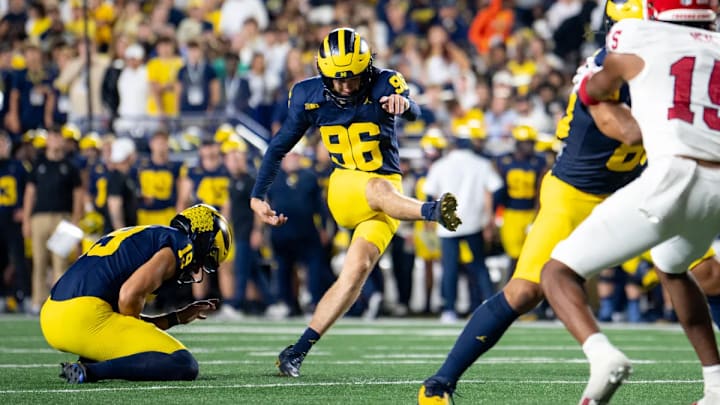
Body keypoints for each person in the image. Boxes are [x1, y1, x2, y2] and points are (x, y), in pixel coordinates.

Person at [418, 1, 650, 401]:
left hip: (635, 187)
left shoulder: (672, 63)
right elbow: (624, 130)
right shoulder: (603, 70)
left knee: (706, 271)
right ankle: (438, 383)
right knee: (524, 291)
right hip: (575, 192)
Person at [249, 28, 461, 377]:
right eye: (338, 79)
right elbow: (278, 147)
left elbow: (420, 113)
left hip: (390, 194)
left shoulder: (385, 83)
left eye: (353, 78)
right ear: (322, 72)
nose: (346, 86)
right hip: (346, 185)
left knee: (355, 273)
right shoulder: (307, 95)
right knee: (377, 188)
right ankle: (432, 210)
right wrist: (258, 194)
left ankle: (297, 351)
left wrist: (405, 105)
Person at [540, 1, 720, 403]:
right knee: (673, 268)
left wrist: (595, 85)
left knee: (557, 273)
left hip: (675, 175)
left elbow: (595, 89)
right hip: (718, 184)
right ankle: (716, 388)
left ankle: (603, 356)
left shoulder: (639, 34)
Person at [40, 203, 232, 383]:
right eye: (207, 258)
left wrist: (176, 318)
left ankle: (90, 360)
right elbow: (129, 296)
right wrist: (136, 347)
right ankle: (90, 371)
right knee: (183, 363)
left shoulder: (144, 233)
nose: (198, 269)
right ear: (203, 237)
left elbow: (121, 319)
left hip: (52, 315)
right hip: (83, 318)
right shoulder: (181, 244)